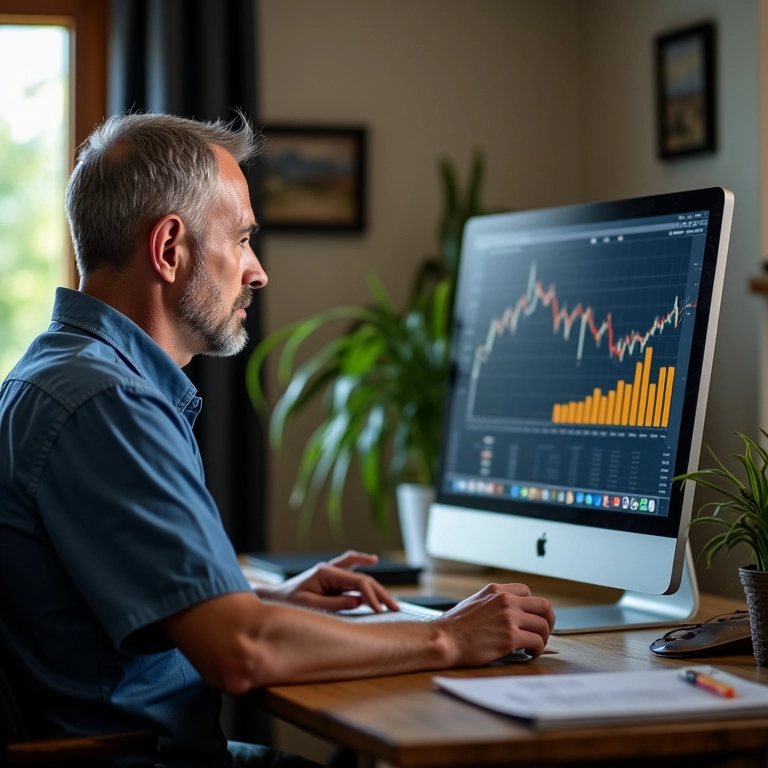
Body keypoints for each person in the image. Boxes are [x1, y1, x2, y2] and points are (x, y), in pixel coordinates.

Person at [0, 112, 555, 768]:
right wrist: (445, 637)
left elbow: (109, 597)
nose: (257, 272)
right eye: (240, 240)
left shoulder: (55, 373)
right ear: (170, 248)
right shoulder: (109, 401)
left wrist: (261, 599)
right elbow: (242, 652)